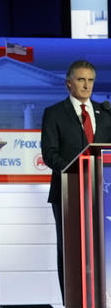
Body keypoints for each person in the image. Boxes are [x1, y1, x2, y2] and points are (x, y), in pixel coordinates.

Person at [40, 60, 111, 296]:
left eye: (90, 80)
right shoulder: (54, 113)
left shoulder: (105, 114)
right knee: (70, 249)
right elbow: (50, 154)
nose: (86, 85)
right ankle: (71, 303)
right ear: (68, 83)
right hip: (68, 191)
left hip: (102, 192)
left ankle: (104, 297)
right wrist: (76, 170)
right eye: (81, 80)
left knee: (102, 247)